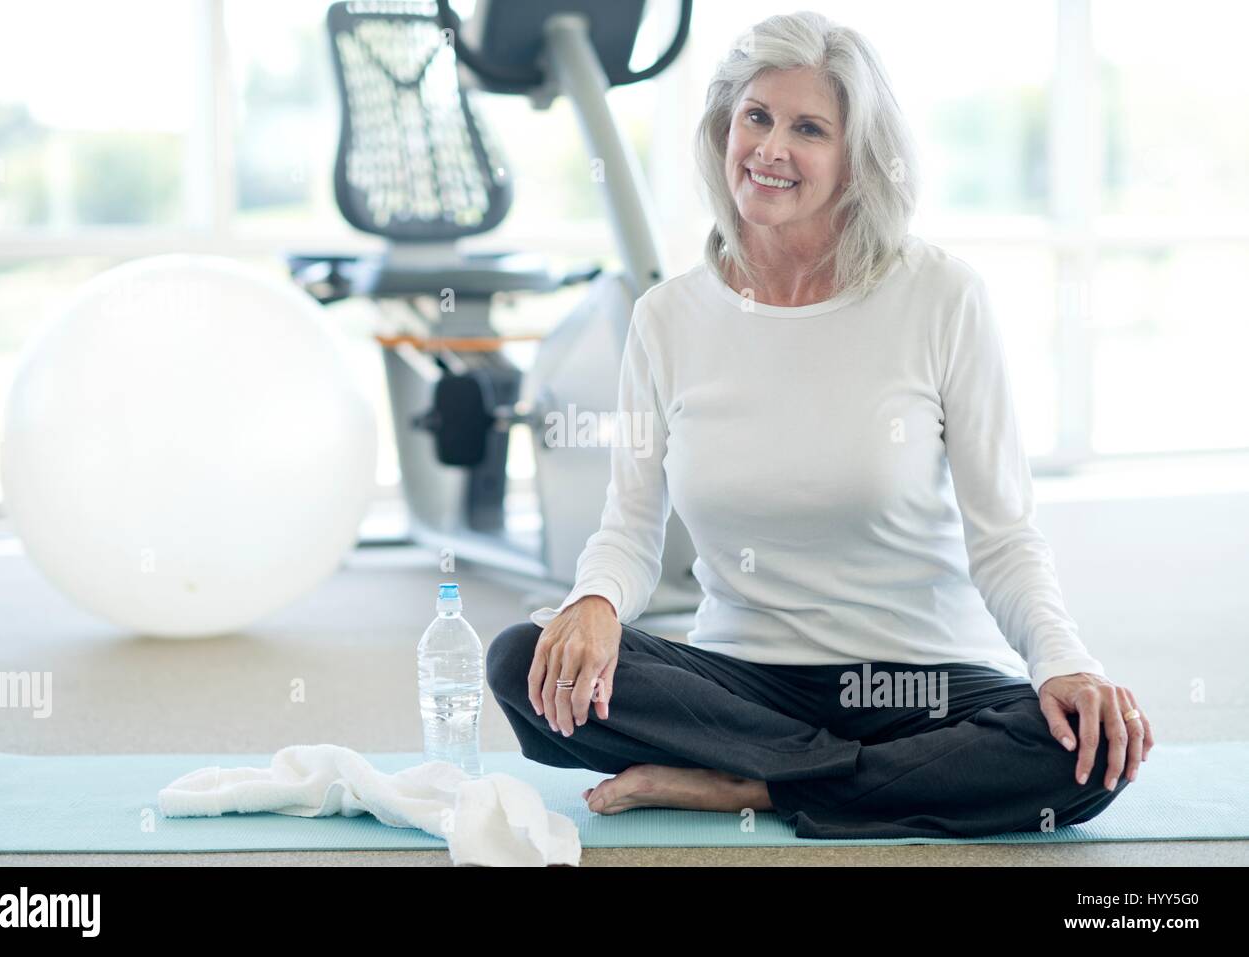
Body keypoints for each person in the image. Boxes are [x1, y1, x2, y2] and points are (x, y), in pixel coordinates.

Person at [485, 10, 1154, 839]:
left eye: (809, 128)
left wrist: (1067, 663)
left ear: (855, 159)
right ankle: (828, 778)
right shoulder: (668, 317)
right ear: (724, 129)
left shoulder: (942, 297)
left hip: (917, 687)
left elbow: (1005, 536)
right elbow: (629, 525)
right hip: (740, 685)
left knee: (1079, 753)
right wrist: (592, 599)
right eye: (756, 117)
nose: (770, 148)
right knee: (524, 658)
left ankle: (753, 786)